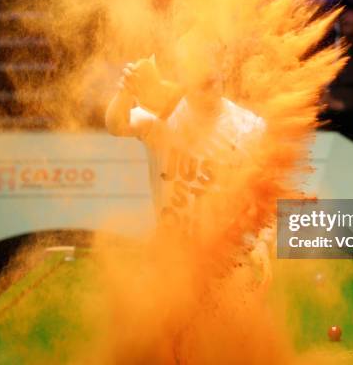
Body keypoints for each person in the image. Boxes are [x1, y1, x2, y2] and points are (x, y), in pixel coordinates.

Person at [105, 45, 272, 283]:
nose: (205, 82)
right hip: (172, 258)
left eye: (209, 76)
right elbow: (116, 125)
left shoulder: (250, 128)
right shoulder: (163, 115)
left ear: (221, 67)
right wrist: (125, 93)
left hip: (229, 260)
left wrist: (263, 243)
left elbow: (266, 196)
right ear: (182, 75)